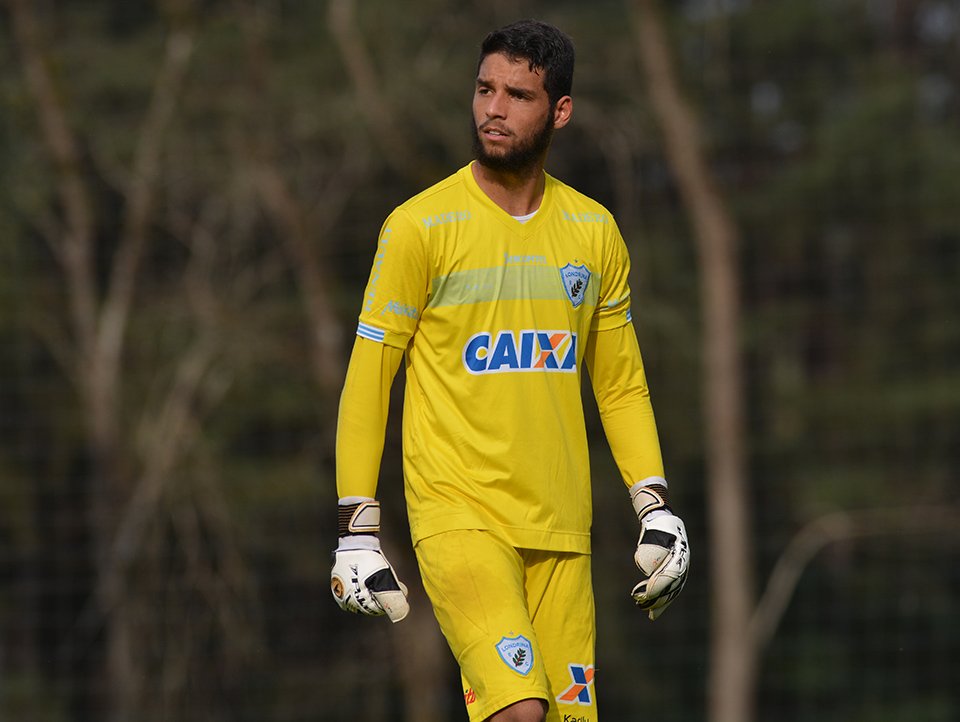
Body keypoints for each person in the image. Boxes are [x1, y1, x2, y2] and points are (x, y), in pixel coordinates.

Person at [330, 19, 689, 722]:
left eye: (518, 95)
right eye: (485, 89)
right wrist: (355, 525)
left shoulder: (594, 233)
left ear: (559, 111)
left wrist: (656, 504)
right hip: (459, 517)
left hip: (561, 530)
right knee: (520, 711)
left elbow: (618, 383)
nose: (494, 109)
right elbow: (369, 375)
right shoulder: (418, 227)